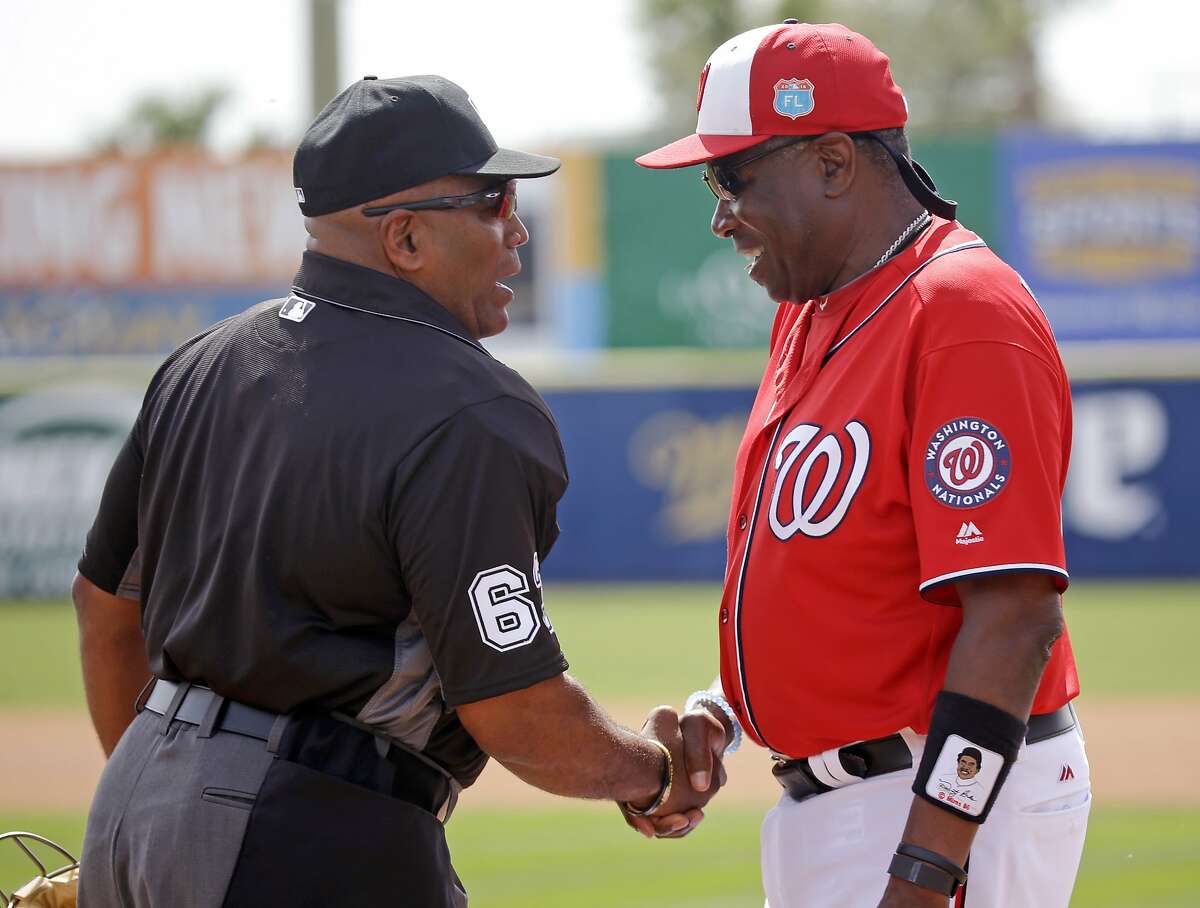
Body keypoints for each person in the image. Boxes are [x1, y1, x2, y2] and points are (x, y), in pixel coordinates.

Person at [72, 74, 725, 908]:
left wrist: (159, 809)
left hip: (132, 806)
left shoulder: (203, 362)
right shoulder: (470, 407)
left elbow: (103, 610)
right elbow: (516, 713)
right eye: (491, 201)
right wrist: (656, 774)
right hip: (305, 828)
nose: (518, 230)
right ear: (406, 239)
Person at [634, 21, 1091, 908]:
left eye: (733, 178)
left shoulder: (961, 310)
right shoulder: (815, 309)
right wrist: (727, 713)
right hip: (844, 803)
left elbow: (1012, 618)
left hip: (933, 806)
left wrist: (926, 868)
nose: (721, 215)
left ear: (834, 163)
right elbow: (845, 584)